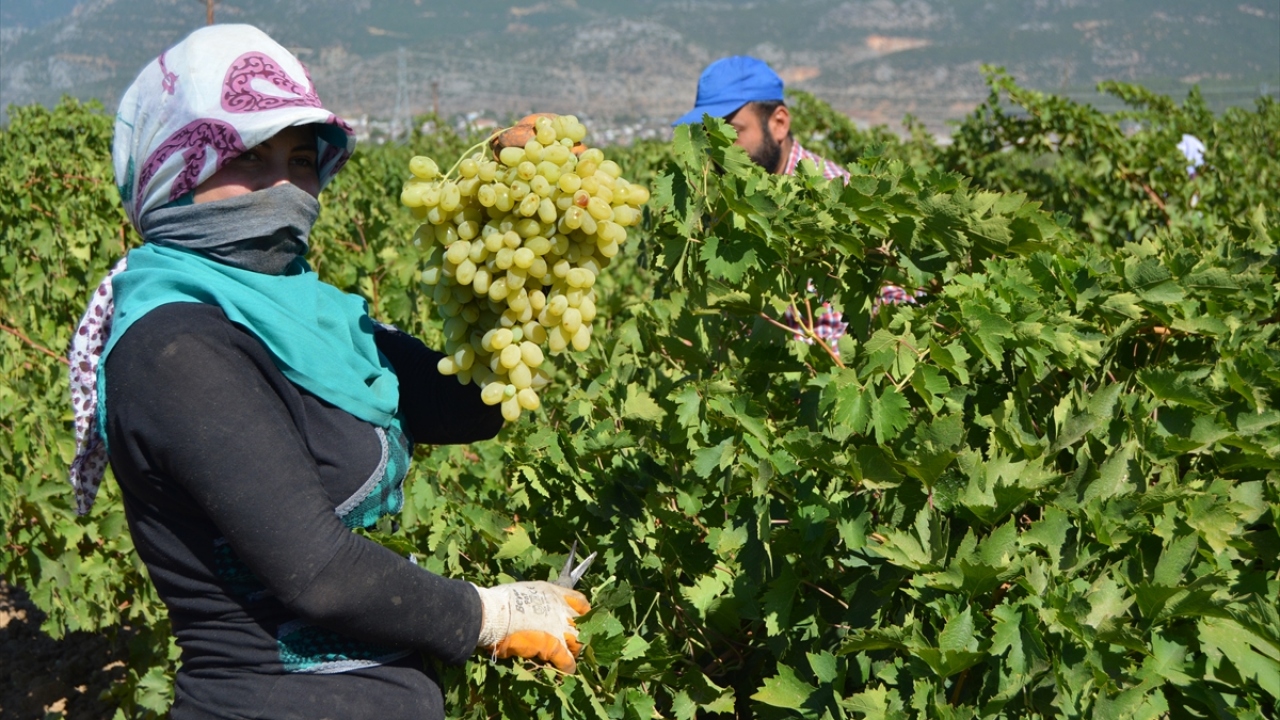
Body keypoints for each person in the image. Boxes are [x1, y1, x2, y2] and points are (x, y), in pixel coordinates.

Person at [67, 25, 587, 720]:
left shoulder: (311, 320)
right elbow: (317, 571)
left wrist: (515, 216)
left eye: (302, 161)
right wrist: (487, 614)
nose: (283, 186)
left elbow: (470, 406)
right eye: (251, 160)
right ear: (175, 172)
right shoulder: (174, 350)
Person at [672, 56, 915, 356]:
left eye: (730, 132)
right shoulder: (720, 206)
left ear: (779, 123)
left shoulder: (841, 197)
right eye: (709, 135)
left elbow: (894, 299)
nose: (717, 149)